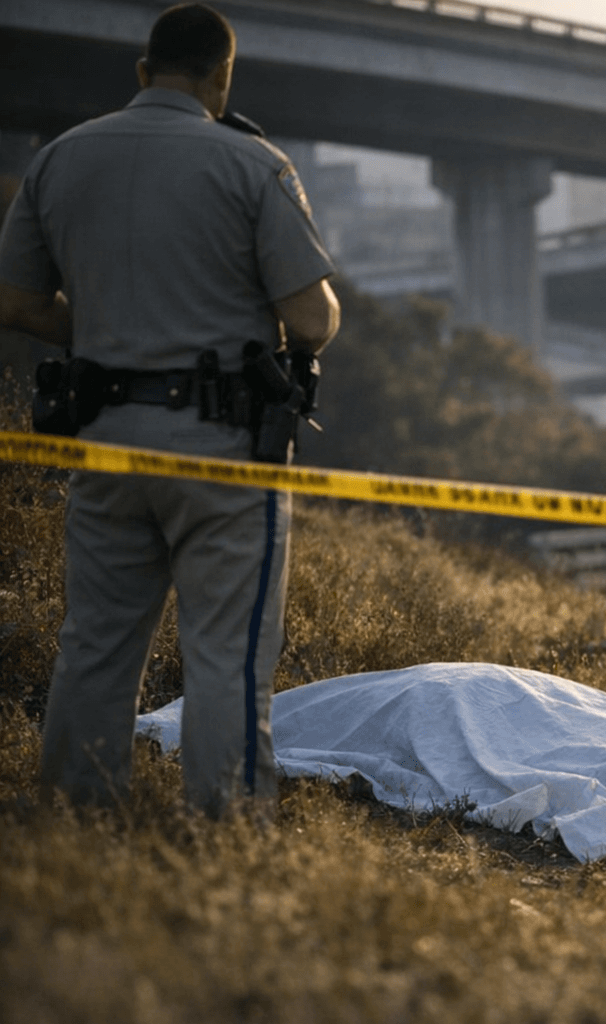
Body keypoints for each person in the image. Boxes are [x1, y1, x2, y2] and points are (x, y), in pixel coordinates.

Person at [0, 3, 339, 816]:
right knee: (225, 653)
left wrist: (104, 323)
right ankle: (224, 831)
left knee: (96, 643)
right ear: (222, 78)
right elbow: (311, 319)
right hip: (220, 451)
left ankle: (78, 821)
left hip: (104, 441)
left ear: (143, 72)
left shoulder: (60, 159)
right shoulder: (253, 163)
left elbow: (16, 299)